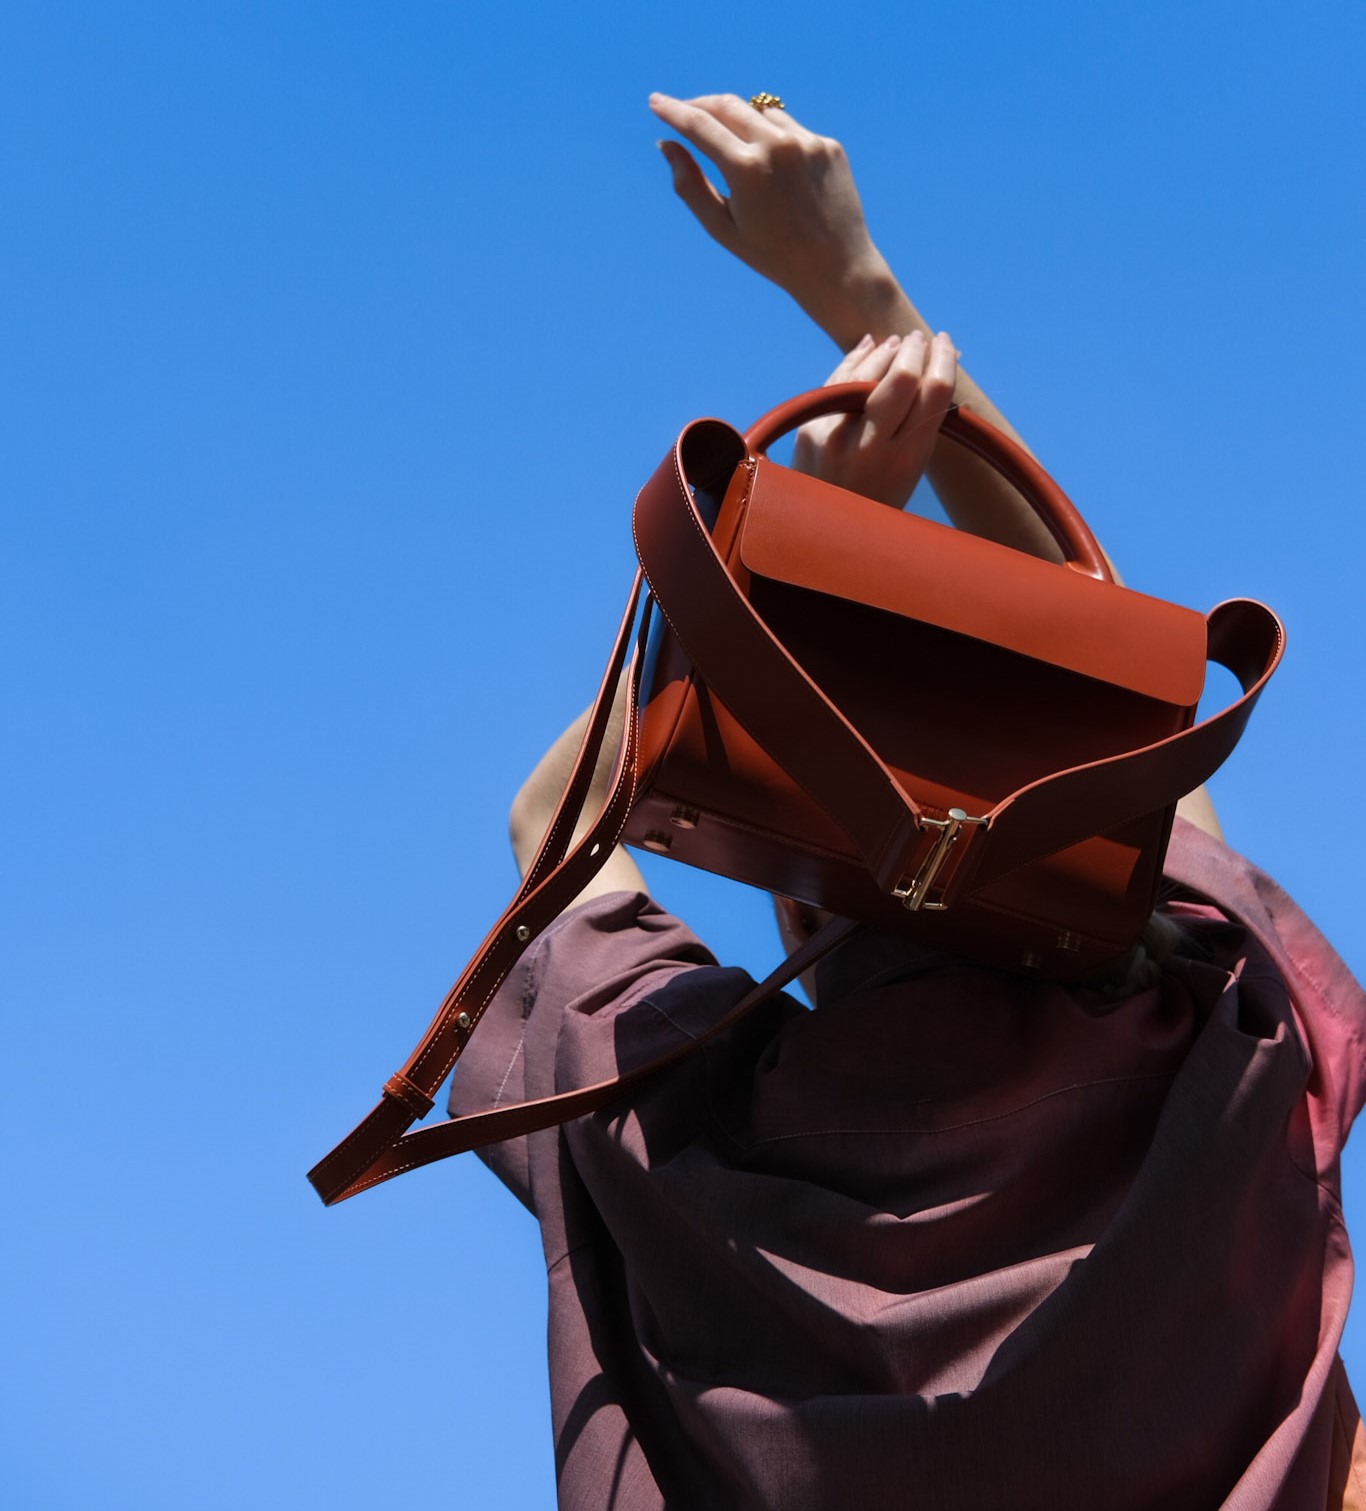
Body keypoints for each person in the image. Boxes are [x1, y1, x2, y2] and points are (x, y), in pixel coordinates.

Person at [448, 92, 1366, 1510]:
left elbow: (554, 808)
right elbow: (1125, 698)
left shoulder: (679, 1135)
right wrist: (854, 286)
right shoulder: (1223, 1068)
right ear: (1107, 844)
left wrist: (784, 570)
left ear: (799, 877)